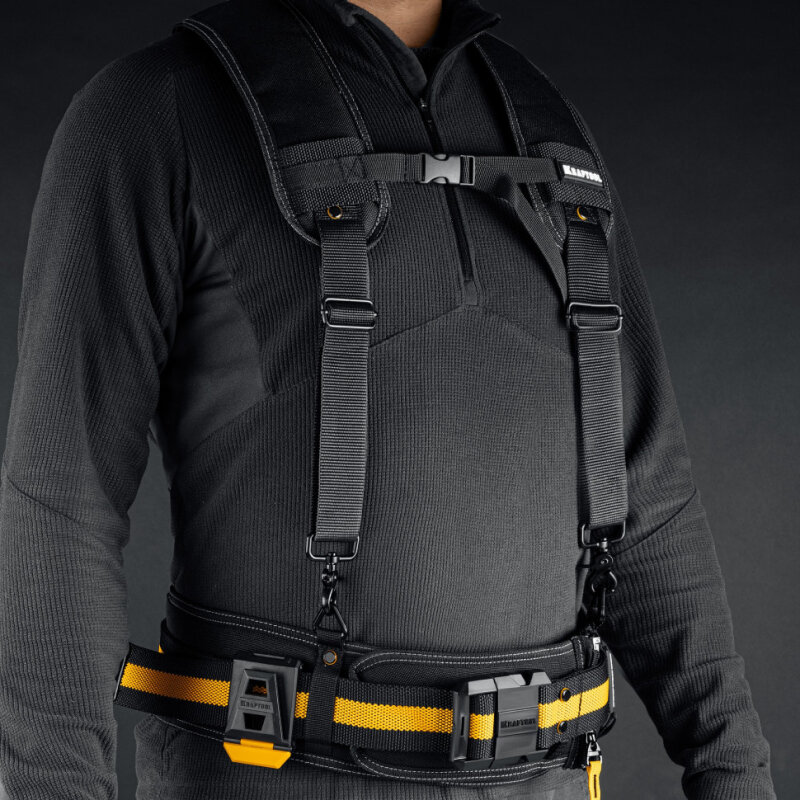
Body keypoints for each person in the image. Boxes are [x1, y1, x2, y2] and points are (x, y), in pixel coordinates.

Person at [0, 0, 777, 798]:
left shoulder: (550, 135)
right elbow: (61, 502)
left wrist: (735, 774)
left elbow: (650, 498)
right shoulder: (160, 108)